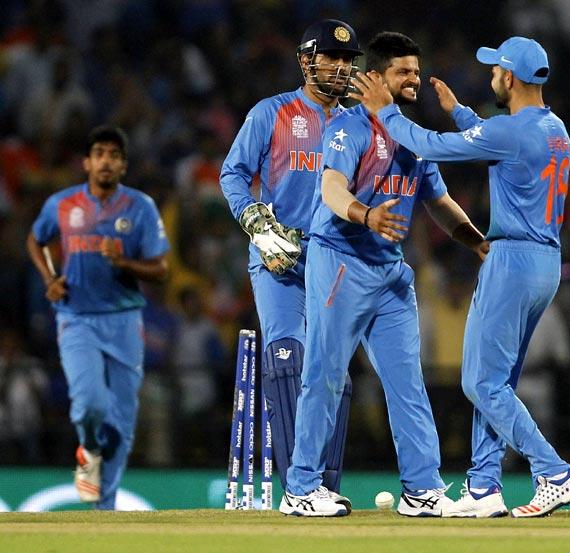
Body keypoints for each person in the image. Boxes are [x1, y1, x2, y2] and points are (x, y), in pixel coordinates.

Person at [353, 36, 570, 518]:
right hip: (545, 262)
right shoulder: (554, 128)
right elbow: (501, 142)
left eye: (495, 70)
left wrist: (386, 112)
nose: (490, 77)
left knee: (480, 384)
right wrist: (461, 112)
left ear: (510, 78)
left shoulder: (511, 131)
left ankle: (555, 472)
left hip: (512, 261)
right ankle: (483, 487)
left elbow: (430, 146)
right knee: (497, 381)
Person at [280, 32, 488, 517]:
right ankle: (301, 488)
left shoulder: (411, 136)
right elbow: (331, 187)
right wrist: (365, 215)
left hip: (391, 276)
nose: (414, 79)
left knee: (407, 382)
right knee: (325, 375)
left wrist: (475, 239)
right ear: (375, 78)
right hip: (340, 263)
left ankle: (421, 490)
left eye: (416, 71)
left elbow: (439, 202)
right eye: (403, 72)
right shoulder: (346, 129)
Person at [219, 19, 362, 508]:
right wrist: (258, 226)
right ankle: (298, 491)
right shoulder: (272, 113)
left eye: (348, 61)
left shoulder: (358, 122)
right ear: (306, 61)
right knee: (289, 360)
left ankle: (326, 487)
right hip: (279, 257)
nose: (342, 68)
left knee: (333, 372)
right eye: (332, 58)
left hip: (334, 260)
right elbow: (233, 173)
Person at [26, 125, 169, 509]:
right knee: (90, 404)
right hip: (77, 318)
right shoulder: (63, 204)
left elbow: (161, 268)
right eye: (99, 153)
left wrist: (123, 261)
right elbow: (35, 239)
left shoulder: (140, 207)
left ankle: (103, 509)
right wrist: (50, 278)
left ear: (123, 165)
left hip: (124, 320)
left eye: (114, 155)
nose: (106, 160)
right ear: (87, 162)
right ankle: (88, 447)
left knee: (122, 420)